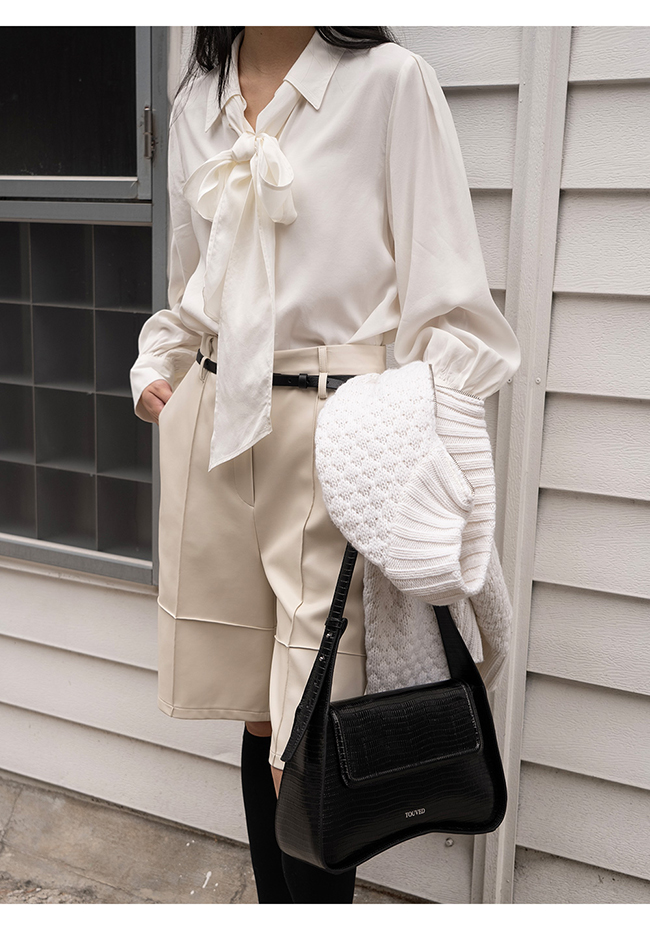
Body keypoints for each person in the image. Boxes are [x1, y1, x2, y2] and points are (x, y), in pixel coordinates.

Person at [130, 26, 521, 905]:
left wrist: (407, 436)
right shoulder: (198, 104)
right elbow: (191, 291)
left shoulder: (389, 84)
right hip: (215, 427)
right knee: (258, 711)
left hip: (337, 434)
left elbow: (453, 308)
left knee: (310, 729)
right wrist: (158, 366)